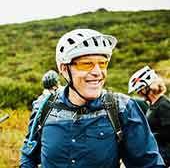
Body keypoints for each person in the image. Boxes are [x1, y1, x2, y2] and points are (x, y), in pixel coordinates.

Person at [20, 29, 165, 168]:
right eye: (86, 64)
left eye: (102, 63)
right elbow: (28, 155)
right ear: (64, 69)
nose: (98, 72)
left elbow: (149, 164)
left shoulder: (123, 108)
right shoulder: (44, 107)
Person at [128, 66, 170, 167]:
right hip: (157, 153)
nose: (138, 93)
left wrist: (152, 135)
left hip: (165, 157)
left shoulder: (164, 104)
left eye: (139, 90)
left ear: (147, 88)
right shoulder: (153, 105)